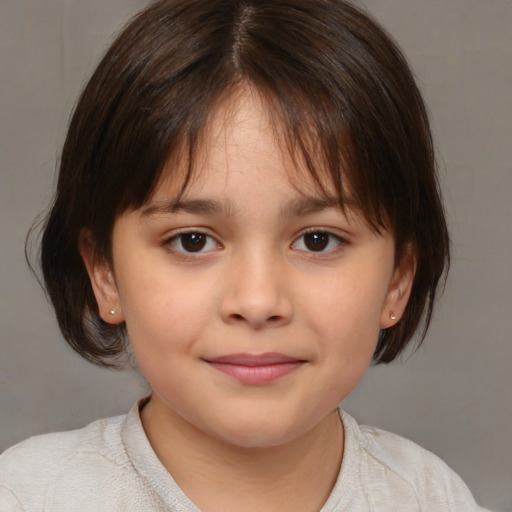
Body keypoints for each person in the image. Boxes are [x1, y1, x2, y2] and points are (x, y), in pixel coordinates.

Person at [0, 0, 492, 510]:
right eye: (192, 240)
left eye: (317, 240)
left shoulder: (432, 498)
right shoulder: (28, 495)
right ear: (104, 274)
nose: (257, 302)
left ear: (398, 280)